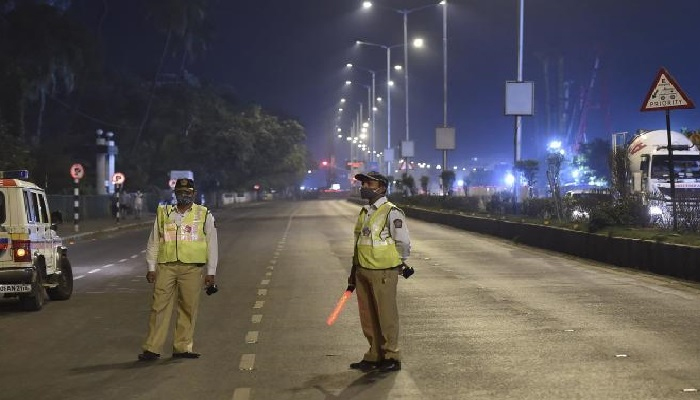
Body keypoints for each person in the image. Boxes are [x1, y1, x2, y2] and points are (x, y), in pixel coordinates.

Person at [138, 178, 219, 361]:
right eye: (180, 192)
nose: (184, 195)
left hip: (192, 268)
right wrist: (151, 267)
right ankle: (152, 348)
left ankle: (182, 347)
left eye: (188, 192)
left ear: (194, 194)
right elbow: (154, 241)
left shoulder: (204, 214)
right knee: (158, 307)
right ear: (175, 194)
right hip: (166, 267)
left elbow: (212, 244)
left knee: (188, 308)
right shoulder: (164, 213)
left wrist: (211, 272)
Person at [348, 171, 411, 373]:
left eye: (368, 183)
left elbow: (403, 242)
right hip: (362, 270)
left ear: (381, 188)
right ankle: (374, 355)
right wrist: (353, 270)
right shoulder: (365, 211)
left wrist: (398, 263)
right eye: (363, 183)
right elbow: (359, 243)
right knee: (368, 317)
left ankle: (391, 356)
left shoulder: (391, 212)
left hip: (383, 272)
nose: (364, 186)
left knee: (386, 316)